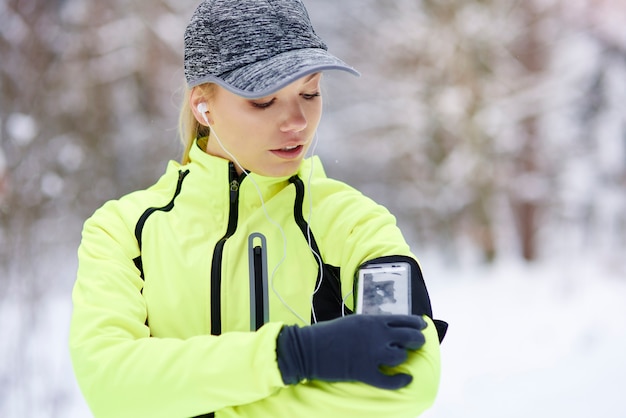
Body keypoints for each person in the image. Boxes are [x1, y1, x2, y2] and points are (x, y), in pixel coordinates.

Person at [69, 0, 447, 417]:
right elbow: (110, 385)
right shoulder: (123, 231)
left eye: (310, 92)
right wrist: (295, 355)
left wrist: (187, 401)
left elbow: (411, 377)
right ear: (202, 106)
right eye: (263, 101)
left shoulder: (353, 222)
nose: (297, 121)